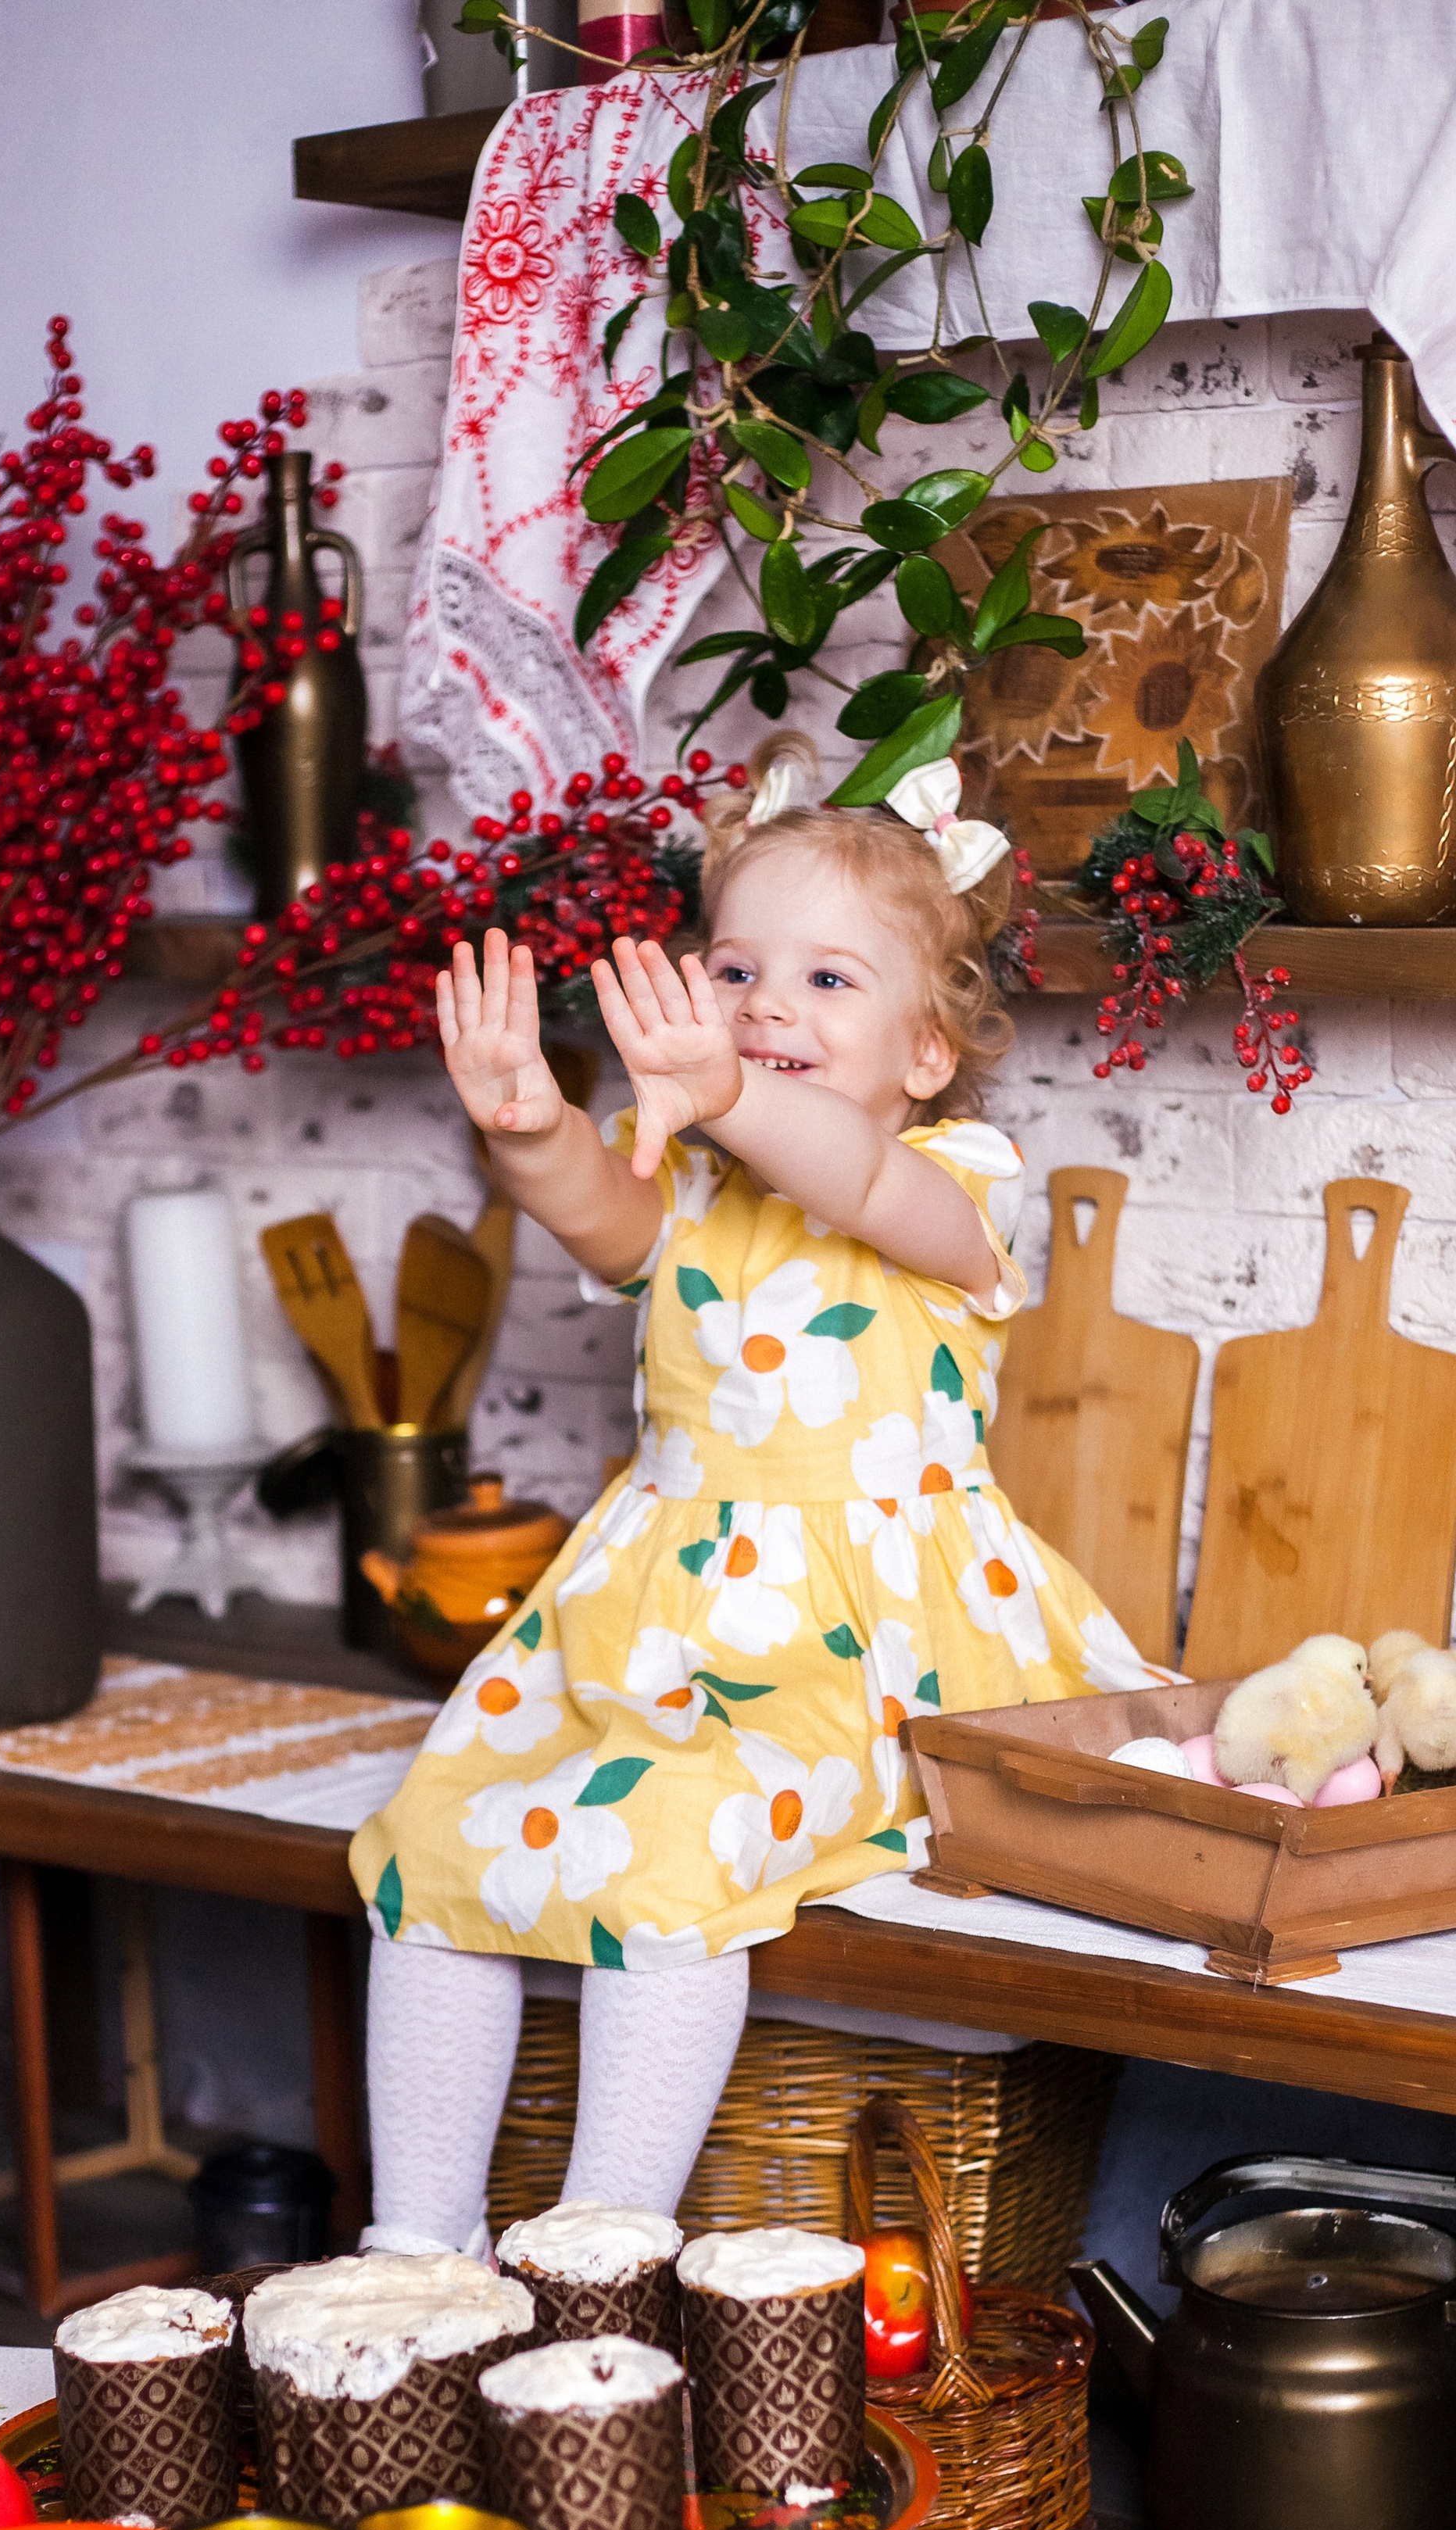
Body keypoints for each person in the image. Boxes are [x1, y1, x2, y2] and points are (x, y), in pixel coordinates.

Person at [349, 731, 1157, 2255]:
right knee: (433, 1838)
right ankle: (415, 2246)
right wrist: (523, 1125)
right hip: (644, 1618)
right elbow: (598, 1221)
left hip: (861, 1652)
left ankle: (604, 2242)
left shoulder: (961, 1185)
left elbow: (851, 1179)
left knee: (666, 1854)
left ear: (926, 1053)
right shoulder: (697, 1188)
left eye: (827, 982)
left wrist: (722, 1085)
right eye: (735, 969)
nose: (768, 1004)